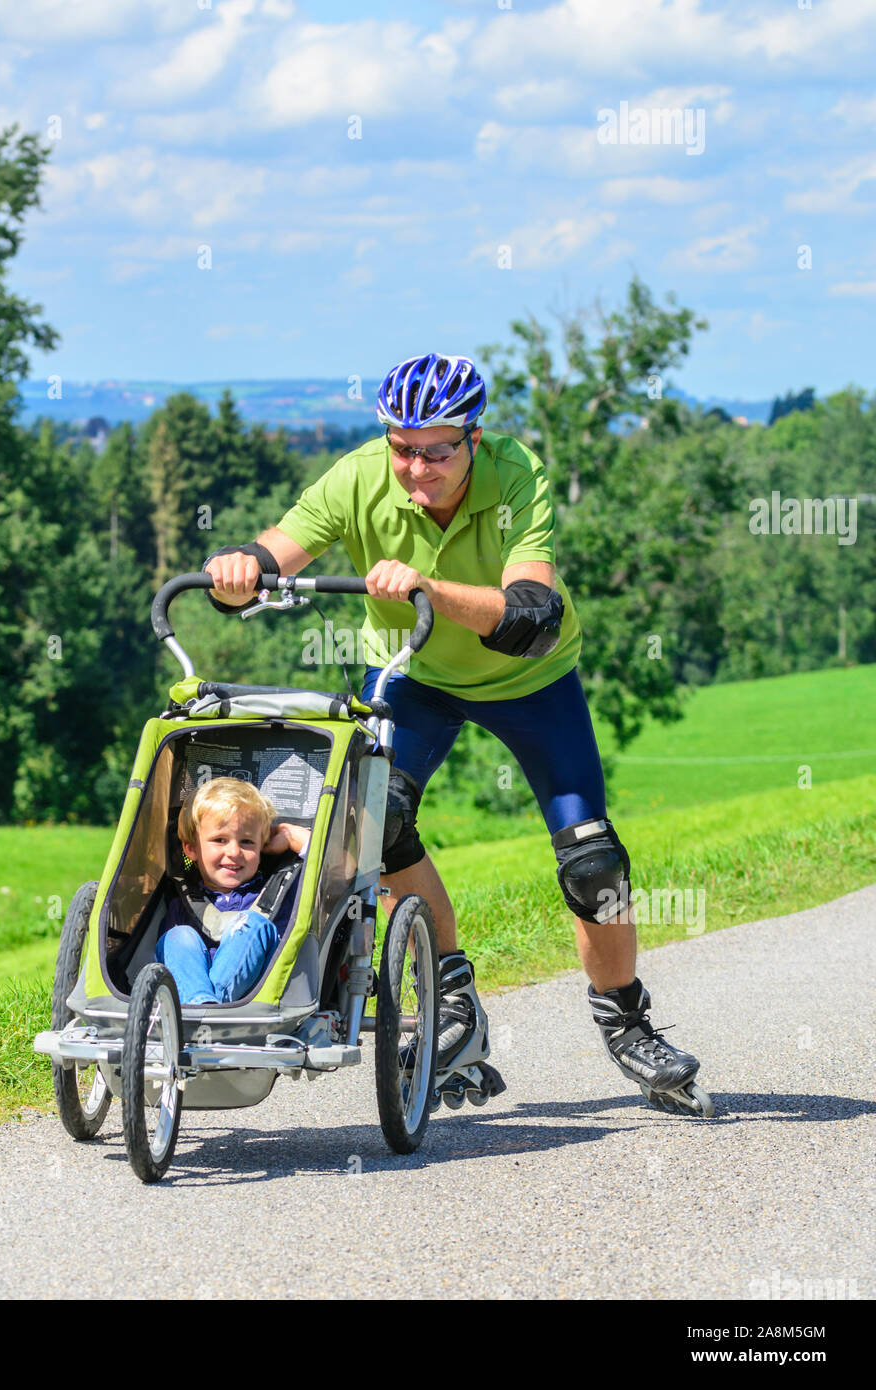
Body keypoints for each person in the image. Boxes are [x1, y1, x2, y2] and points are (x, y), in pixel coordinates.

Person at [201, 353, 707, 1113]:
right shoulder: (360, 476)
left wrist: (426, 588)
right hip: (414, 677)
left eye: (437, 450)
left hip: (529, 682)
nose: (415, 468)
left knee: (594, 862)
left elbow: (529, 618)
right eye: (402, 447)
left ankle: (626, 1022)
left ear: (474, 437)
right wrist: (239, 570)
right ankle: (454, 1002)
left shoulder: (516, 475)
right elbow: (280, 549)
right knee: (380, 823)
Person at [156, 776, 311, 1006]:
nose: (234, 852)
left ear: (263, 847)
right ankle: (202, 1004)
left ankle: (210, 1008)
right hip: (191, 993)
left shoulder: (277, 890)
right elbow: (175, 963)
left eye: (247, 842)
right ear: (191, 848)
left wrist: (289, 835)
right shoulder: (183, 899)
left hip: (257, 996)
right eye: (220, 840)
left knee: (252, 923)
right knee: (176, 937)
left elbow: (333, 869)